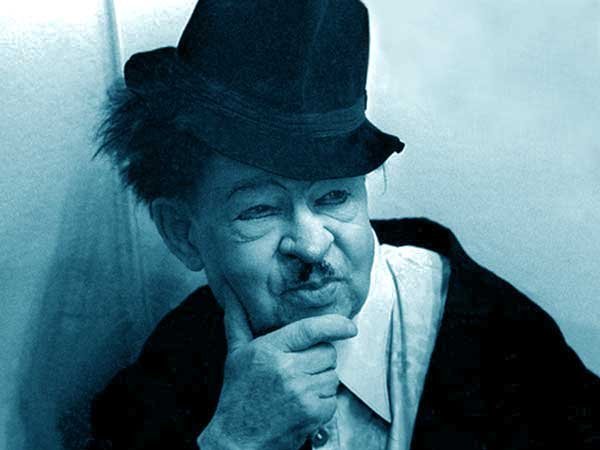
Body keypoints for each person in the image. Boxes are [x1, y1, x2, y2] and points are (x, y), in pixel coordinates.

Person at [87, 1, 600, 449]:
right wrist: (236, 441)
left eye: (334, 197)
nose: (312, 245)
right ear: (182, 233)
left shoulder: (500, 339)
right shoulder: (169, 373)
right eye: (259, 209)